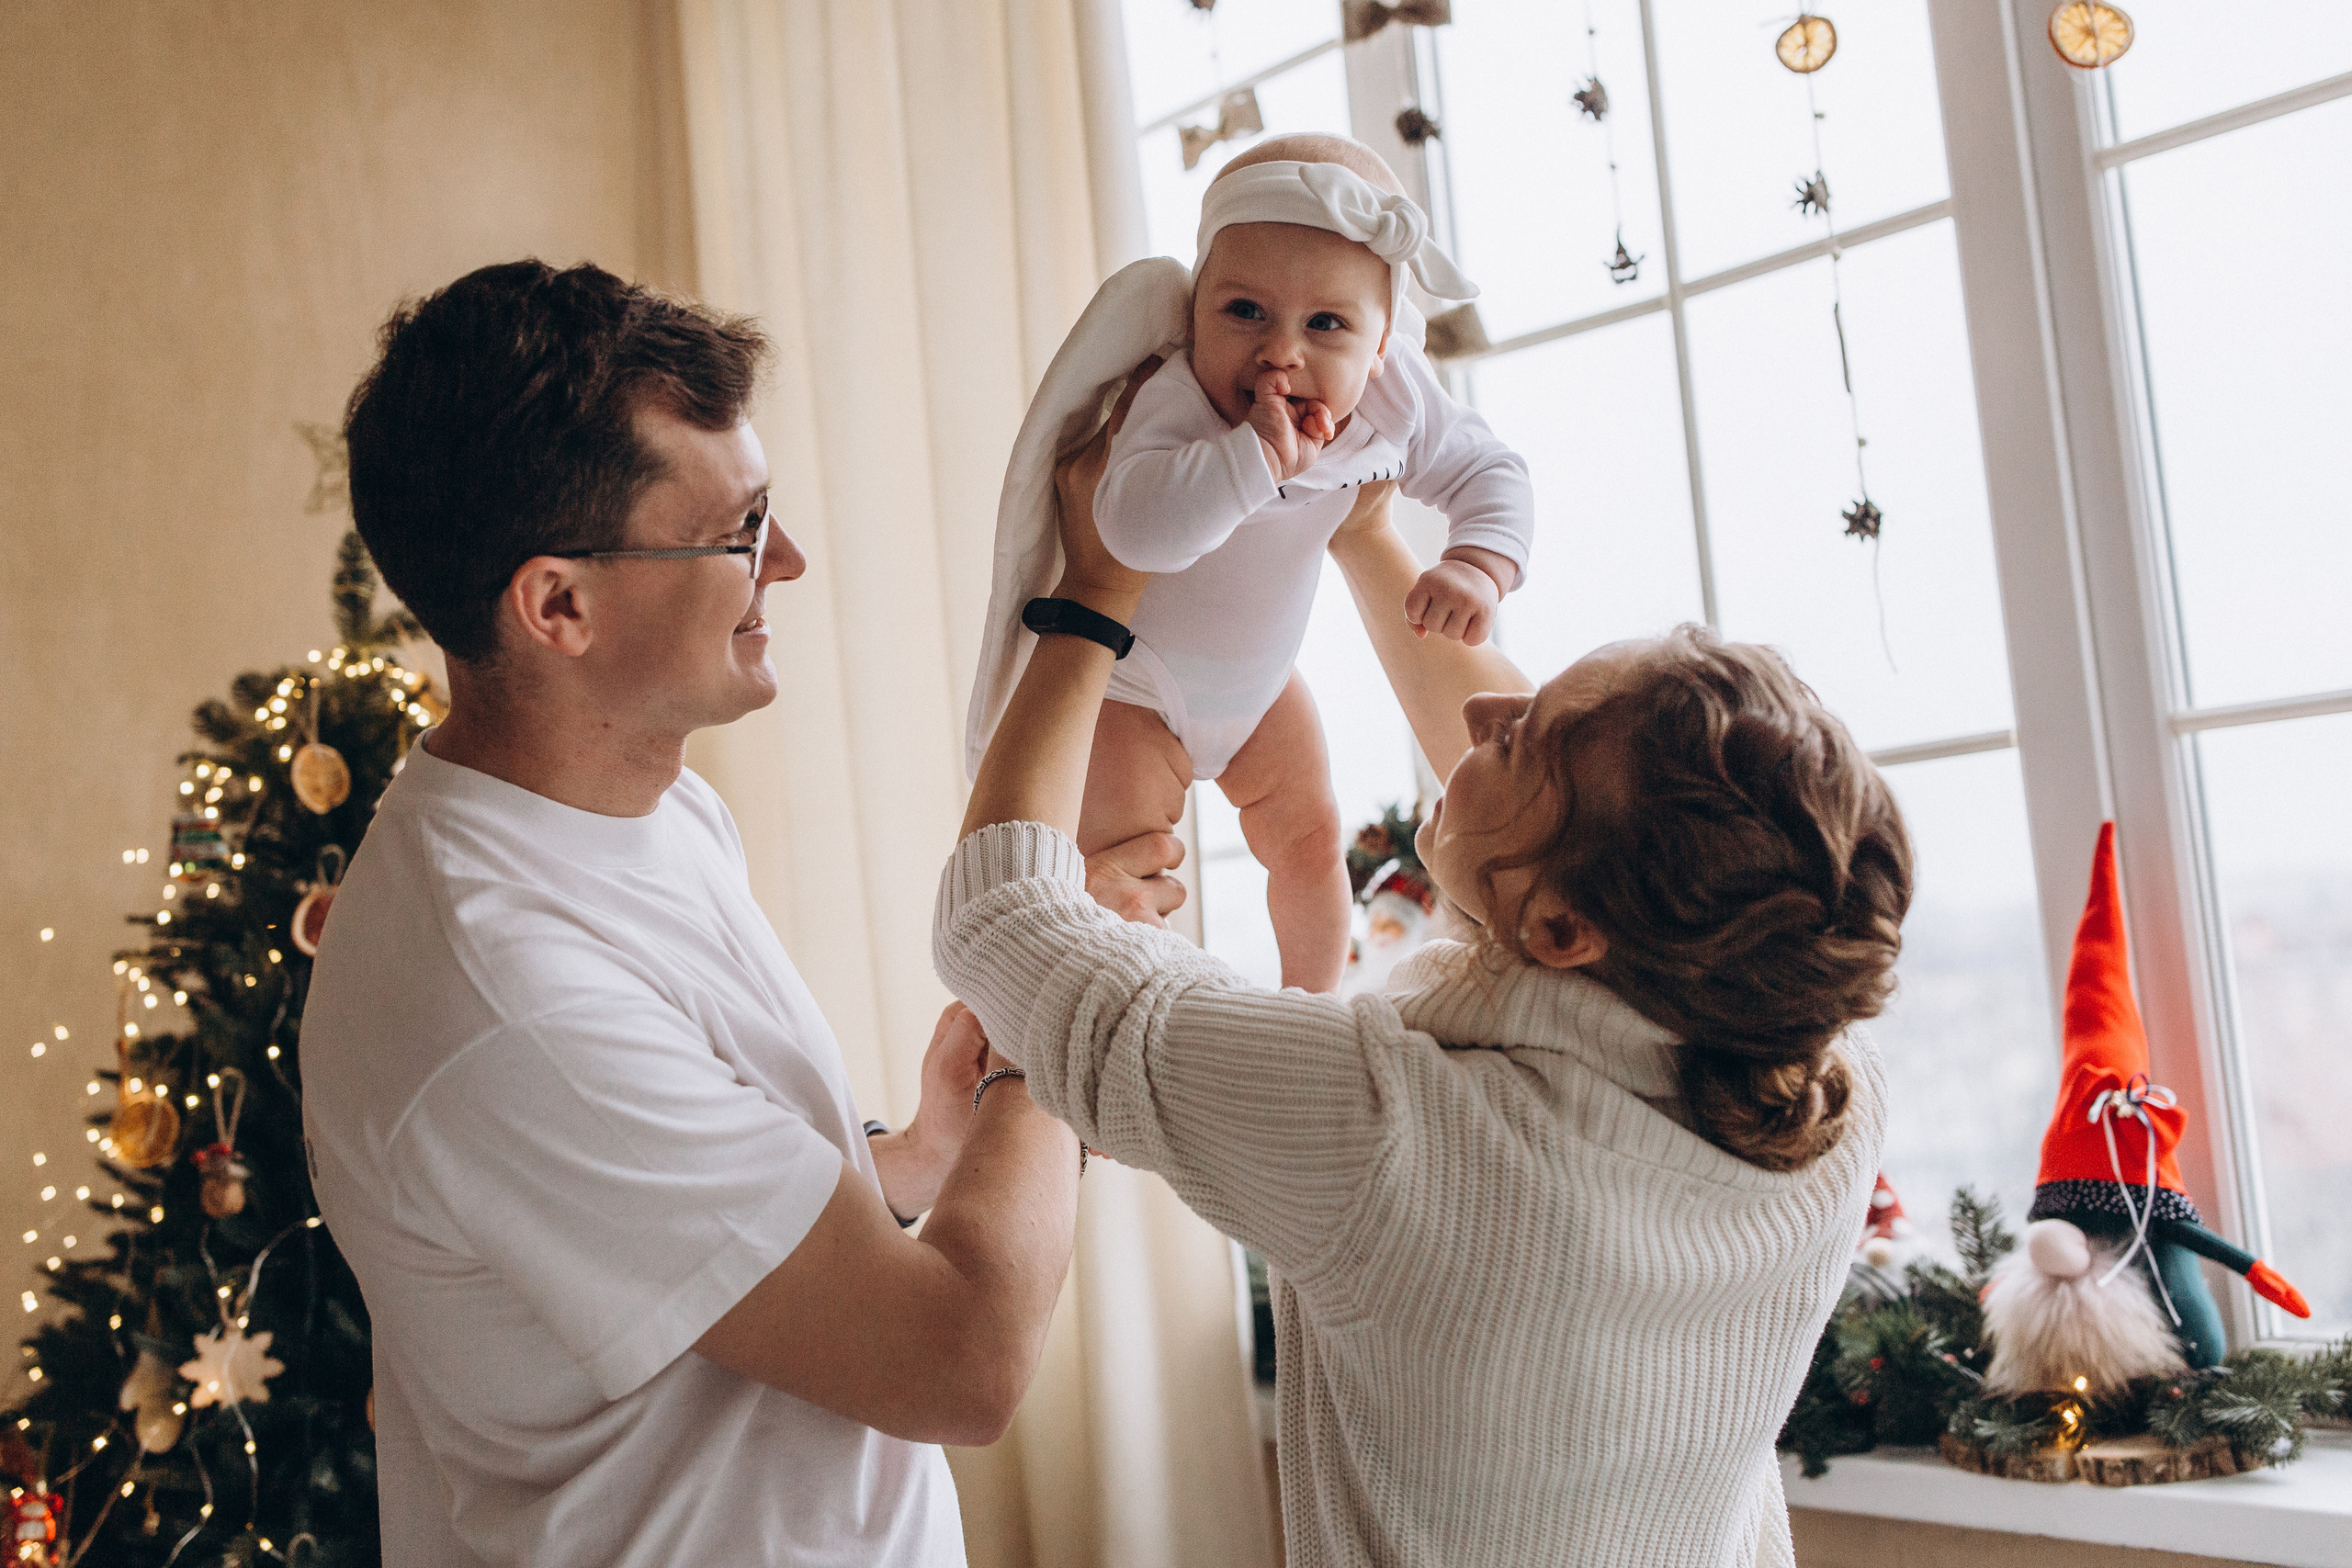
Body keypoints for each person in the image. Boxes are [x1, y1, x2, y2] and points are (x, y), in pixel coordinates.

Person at [934, 378, 1913, 1565]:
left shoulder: (1395, 1130)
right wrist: (1366, 538)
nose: (1491, 701)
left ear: (1561, 932)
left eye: (1526, 738)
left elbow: (999, 914)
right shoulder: (1817, 1073)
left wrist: (1096, 588)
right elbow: (1566, 844)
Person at [302, 260, 1142, 1568]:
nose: (789, 561)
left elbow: (686, 1242)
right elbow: (958, 1358)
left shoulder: (655, 810)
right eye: (741, 528)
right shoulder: (501, 989)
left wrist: (920, 1153)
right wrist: (1054, 1008)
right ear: (557, 604)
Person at [966, 135, 1532, 991]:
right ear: (1194, 313)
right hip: (1136, 686)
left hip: (1261, 690)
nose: (1281, 352)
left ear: (1382, 347)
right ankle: (1125, 1051)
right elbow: (1131, 528)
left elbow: (1491, 470)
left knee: (1310, 841)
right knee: (1115, 881)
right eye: (1244, 312)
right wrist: (1250, 462)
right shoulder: (1177, 398)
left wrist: (1478, 563)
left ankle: (1311, 1000)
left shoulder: (1395, 397)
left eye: (1326, 325)